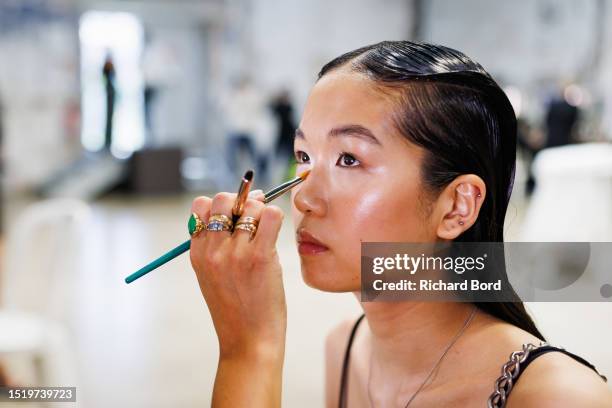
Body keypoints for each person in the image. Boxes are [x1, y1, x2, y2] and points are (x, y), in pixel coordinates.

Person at [188, 41, 612, 407]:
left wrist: (248, 350)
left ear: (457, 208)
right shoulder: (347, 349)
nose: (303, 197)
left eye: (349, 159)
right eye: (304, 158)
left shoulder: (558, 397)